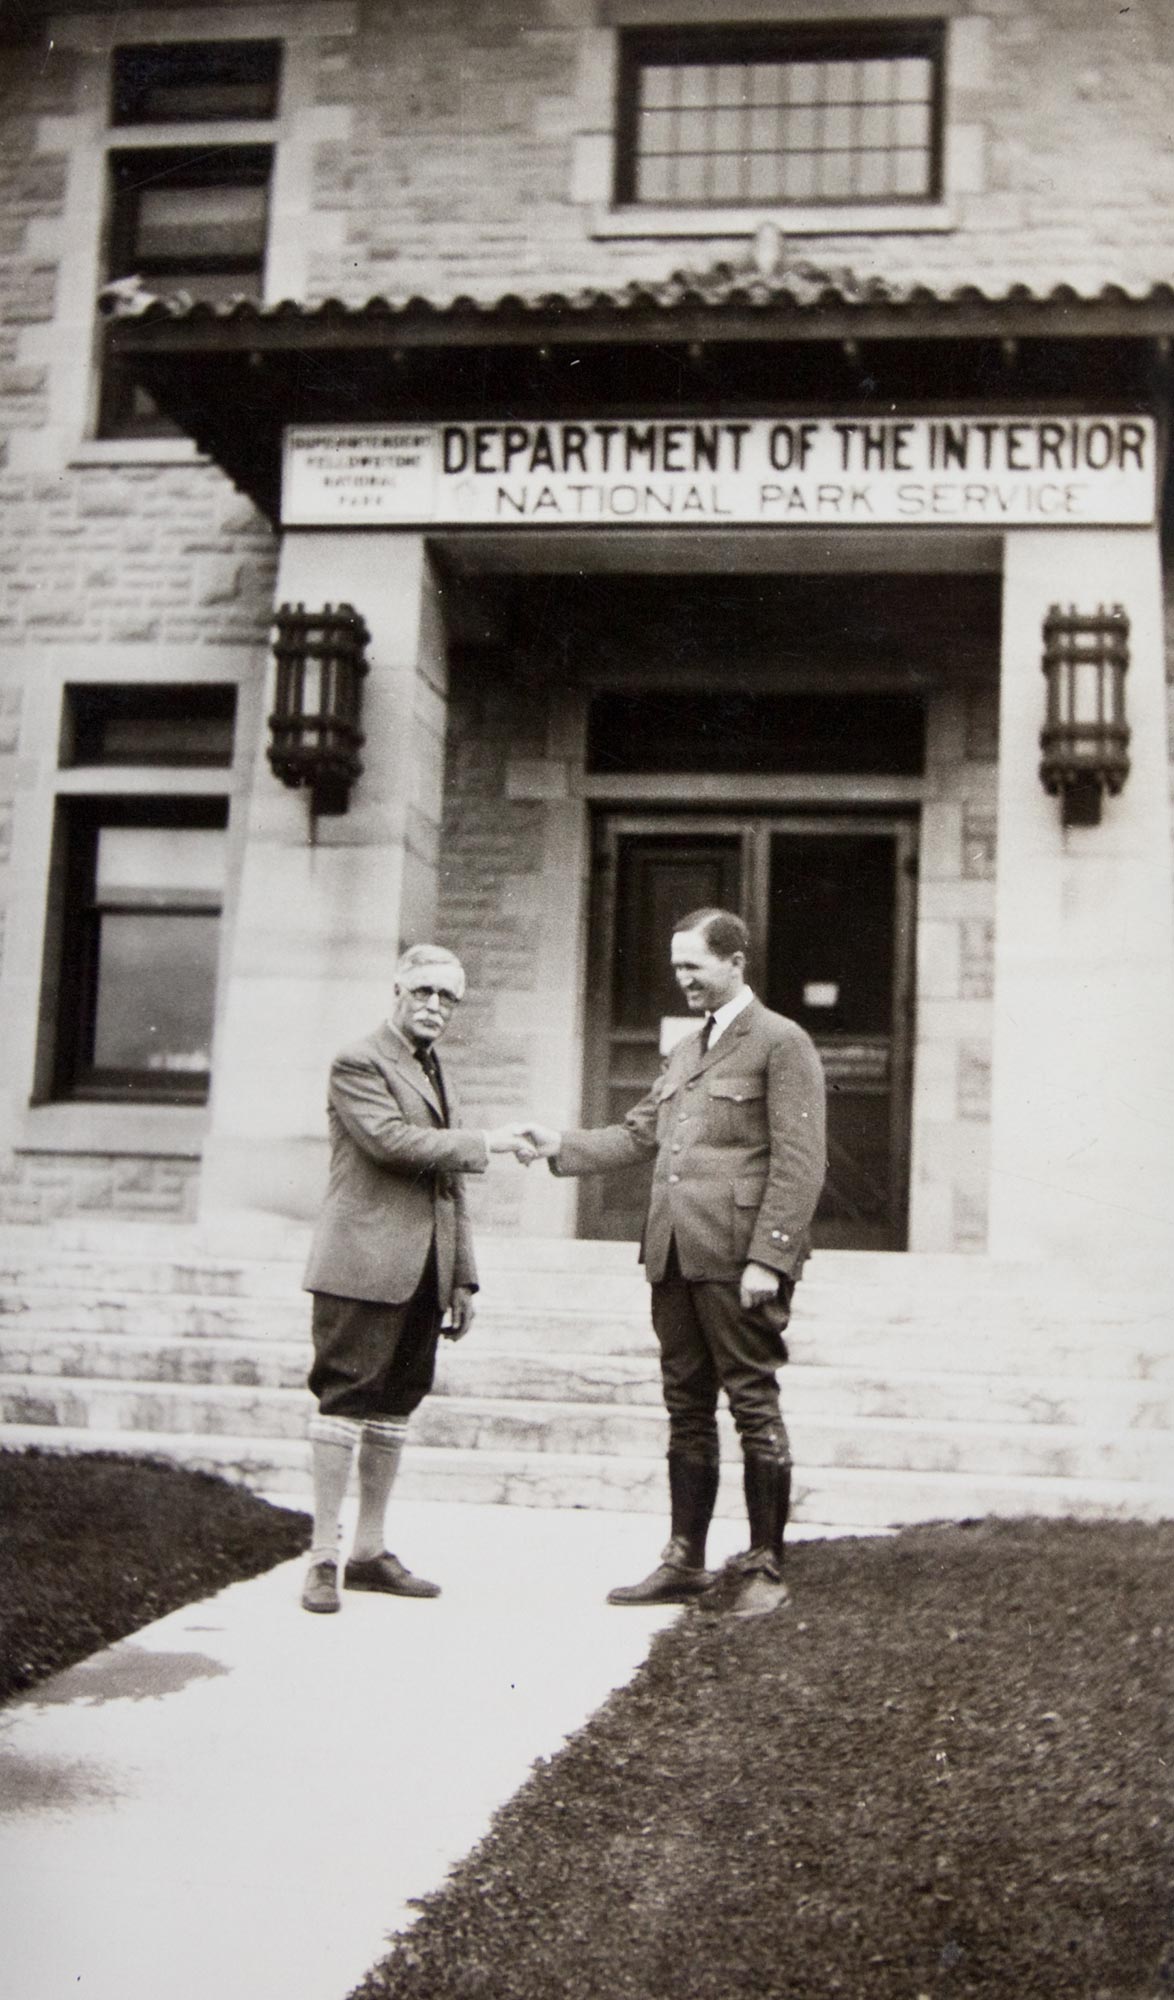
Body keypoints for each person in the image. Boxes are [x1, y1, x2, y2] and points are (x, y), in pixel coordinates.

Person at [521, 910, 826, 1620]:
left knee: (752, 1404)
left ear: (735, 962)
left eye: (694, 966)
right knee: (685, 1408)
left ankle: (765, 1567)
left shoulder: (782, 1043)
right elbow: (638, 1135)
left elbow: (801, 1163)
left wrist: (770, 1260)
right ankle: (684, 1561)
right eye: (677, 965)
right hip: (673, 1256)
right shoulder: (687, 1049)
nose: (680, 978)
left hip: (737, 1259)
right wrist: (557, 1146)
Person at [300, 944, 533, 1613]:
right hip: (361, 1264)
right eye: (424, 991)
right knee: (345, 1399)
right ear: (397, 989)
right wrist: (489, 1140)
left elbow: (447, 1186)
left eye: (448, 998)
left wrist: (463, 1275)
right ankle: (322, 1556)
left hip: (424, 1271)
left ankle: (369, 1553)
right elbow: (393, 1144)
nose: (435, 1006)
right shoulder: (358, 1060)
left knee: (397, 1404)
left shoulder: (436, 1071)